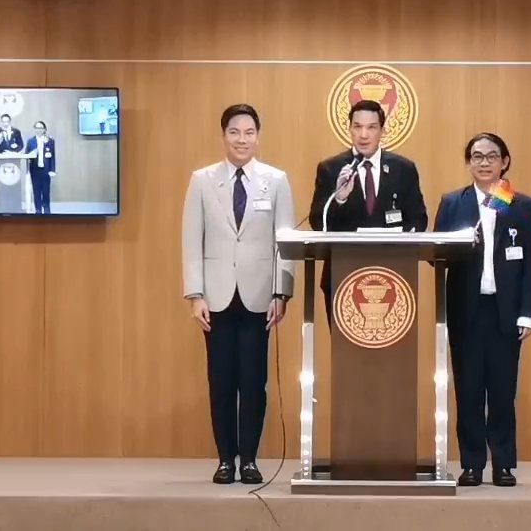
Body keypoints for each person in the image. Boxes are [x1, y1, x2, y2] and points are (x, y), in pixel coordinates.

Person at [182, 104, 295, 485]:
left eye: (248, 132)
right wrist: (194, 294)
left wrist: (282, 292)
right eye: (234, 132)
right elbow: (190, 240)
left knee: (253, 382)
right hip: (214, 297)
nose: (241, 139)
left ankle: (249, 459)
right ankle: (225, 460)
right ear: (223, 135)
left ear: (258, 136)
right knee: (221, 381)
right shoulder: (201, 180)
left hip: (260, 296)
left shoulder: (276, 180)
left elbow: (285, 242)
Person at [433, 132, 531, 488]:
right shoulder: (453, 203)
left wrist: (528, 312)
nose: (484, 162)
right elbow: (437, 258)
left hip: (505, 311)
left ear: (504, 162)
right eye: (476, 156)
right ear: (468, 163)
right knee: (468, 389)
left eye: (491, 156)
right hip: (467, 309)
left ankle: (504, 464)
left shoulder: (520, 204)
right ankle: (472, 464)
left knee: (502, 390)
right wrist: (459, 246)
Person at [308, 99, 428, 324]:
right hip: (343, 274)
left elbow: (419, 220)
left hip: (393, 274)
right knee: (346, 354)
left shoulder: (404, 169)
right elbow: (317, 223)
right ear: (349, 129)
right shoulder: (331, 168)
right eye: (357, 126)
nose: (364, 134)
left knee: (389, 353)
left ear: (382, 130)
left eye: (371, 127)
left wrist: (400, 237)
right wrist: (340, 198)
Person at [25, 121, 56, 214]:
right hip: (35, 170)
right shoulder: (31, 141)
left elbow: (53, 156)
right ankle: (38, 210)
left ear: (44, 129)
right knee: (36, 191)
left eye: (41, 128)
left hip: (46, 170)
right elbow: (26, 155)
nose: (38, 130)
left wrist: (52, 170)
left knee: (46, 191)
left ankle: (47, 210)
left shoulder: (50, 141)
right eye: (37, 128)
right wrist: (33, 153)